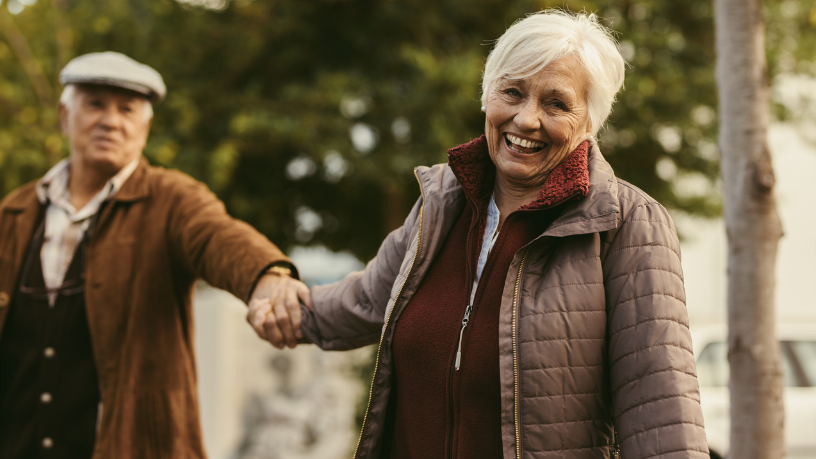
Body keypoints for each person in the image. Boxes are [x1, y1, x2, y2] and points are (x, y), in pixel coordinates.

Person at [250, 10, 711, 459]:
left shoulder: (627, 223)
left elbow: (661, 414)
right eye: (512, 92)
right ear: (487, 97)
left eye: (556, 103)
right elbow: (368, 300)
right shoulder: (442, 201)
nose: (527, 119)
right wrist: (277, 298)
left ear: (589, 123)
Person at [0, 52, 309, 459]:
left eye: (127, 109)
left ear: (144, 128)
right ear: (64, 116)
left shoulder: (172, 200)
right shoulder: (13, 213)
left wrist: (267, 276)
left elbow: (218, 237)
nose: (111, 120)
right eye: (95, 104)